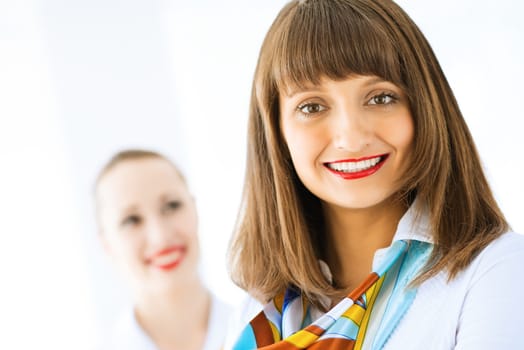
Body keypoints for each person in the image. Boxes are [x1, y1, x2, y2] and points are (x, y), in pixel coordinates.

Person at [226, 0, 524, 349]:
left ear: (425, 108)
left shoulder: (495, 273)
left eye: (380, 98)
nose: (351, 138)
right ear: (276, 133)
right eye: (311, 106)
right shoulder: (258, 311)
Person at [94, 149, 231, 350]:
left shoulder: (270, 332)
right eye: (131, 220)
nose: (160, 237)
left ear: (195, 210)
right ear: (107, 244)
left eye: (172, 206)